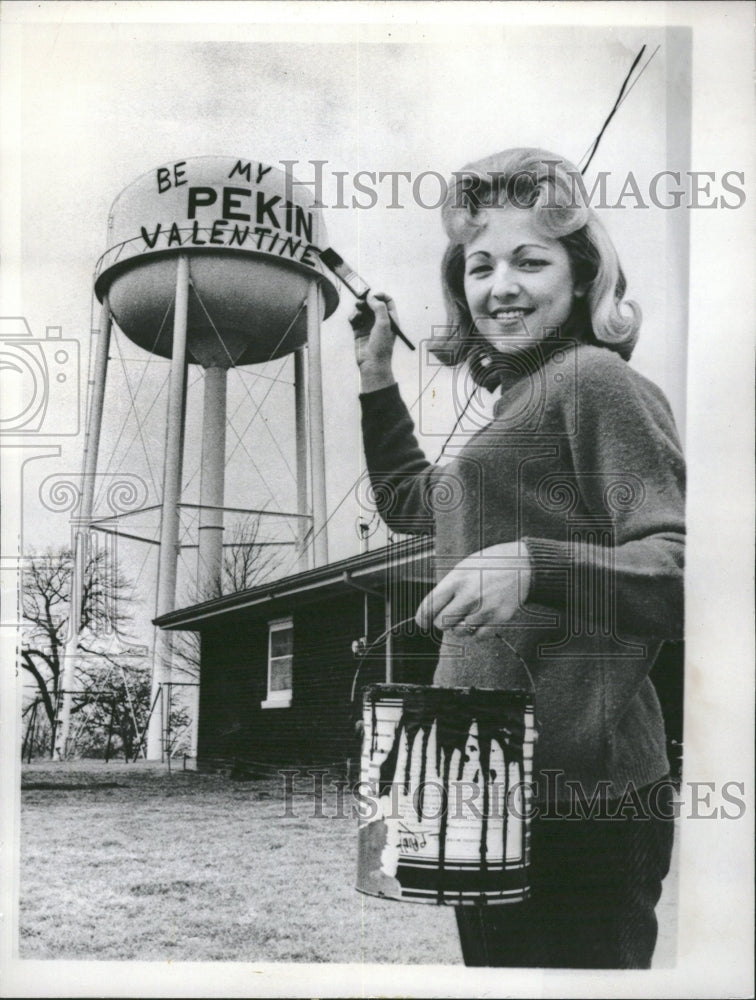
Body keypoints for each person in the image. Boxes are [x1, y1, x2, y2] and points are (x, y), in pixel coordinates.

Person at [350, 148, 685, 969]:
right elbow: (410, 504)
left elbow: (684, 571)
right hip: (486, 774)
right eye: (479, 265)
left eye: (530, 260)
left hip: (588, 795)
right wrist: (373, 374)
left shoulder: (595, 381)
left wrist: (536, 565)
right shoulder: (513, 409)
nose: (500, 284)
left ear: (582, 278)